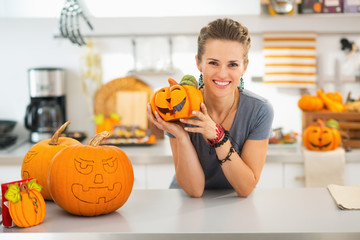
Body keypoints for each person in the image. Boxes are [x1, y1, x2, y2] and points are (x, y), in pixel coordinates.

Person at [147, 18, 274, 198]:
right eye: (213, 63)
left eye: (233, 64)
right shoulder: (178, 107)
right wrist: (181, 136)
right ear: (199, 63)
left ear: (244, 67)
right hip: (185, 203)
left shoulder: (259, 111)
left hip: (234, 204)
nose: (222, 73)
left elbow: (245, 188)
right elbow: (195, 190)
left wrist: (217, 136)